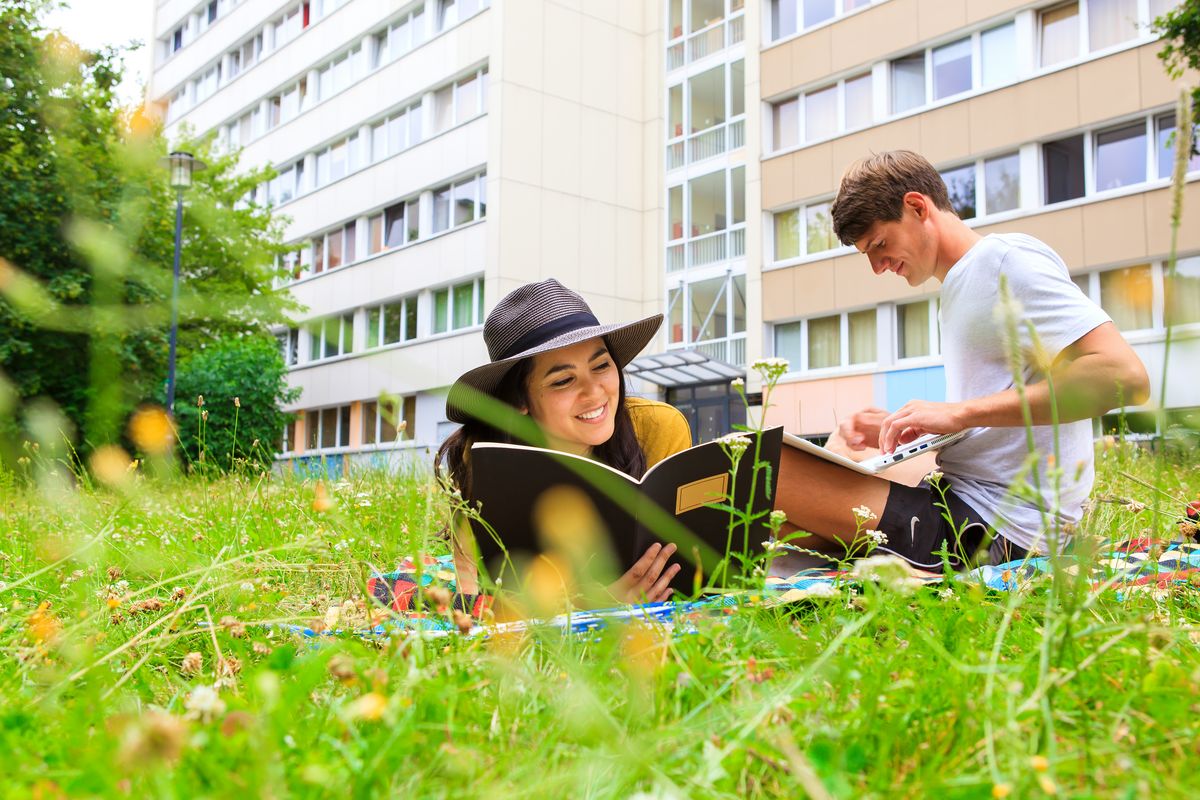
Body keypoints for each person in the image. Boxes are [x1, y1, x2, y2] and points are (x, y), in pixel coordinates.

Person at [774, 150, 1150, 568]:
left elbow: (1124, 376)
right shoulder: (959, 287)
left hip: (998, 528)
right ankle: (824, 561)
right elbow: (996, 420)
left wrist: (960, 413)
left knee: (767, 469)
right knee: (843, 445)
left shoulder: (1005, 263)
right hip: (962, 492)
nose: (878, 267)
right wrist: (919, 427)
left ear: (917, 207)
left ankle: (824, 562)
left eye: (879, 244)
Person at [436, 279, 692, 602]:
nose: (595, 392)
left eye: (601, 365)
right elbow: (471, 603)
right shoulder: (488, 462)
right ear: (519, 401)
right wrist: (588, 608)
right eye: (564, 380)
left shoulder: (658, 428)